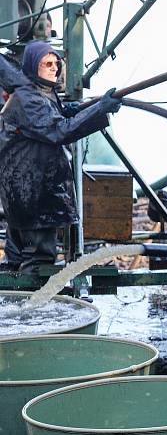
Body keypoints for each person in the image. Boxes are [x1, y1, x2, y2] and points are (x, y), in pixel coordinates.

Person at [0, 41, 122, 272]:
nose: (54, 67)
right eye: (47, 63)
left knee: (15, 261)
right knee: (39, 261)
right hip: (33, 195)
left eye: (56, 63)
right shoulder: (28, 99)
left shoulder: (38, 92)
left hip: (21, 195)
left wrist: (75, 109)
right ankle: (30, 307)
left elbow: (54, 117)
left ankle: (9, 302)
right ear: (33, 66)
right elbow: (59, 131)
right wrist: (99, 110)